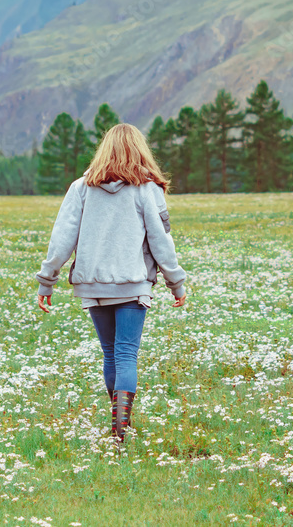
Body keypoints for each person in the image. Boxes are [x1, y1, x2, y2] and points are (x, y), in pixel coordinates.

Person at [34, 123, 188, 445]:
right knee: (126, 354)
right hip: (133, 285)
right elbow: (162, 242)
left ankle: (119, 427)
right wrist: (176, 282)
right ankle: (121, 429)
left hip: (93, 286)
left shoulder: (81, 187)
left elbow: (62, 238)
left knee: (110, 354)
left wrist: (47, 280)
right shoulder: (147, 190)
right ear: (139, 150)